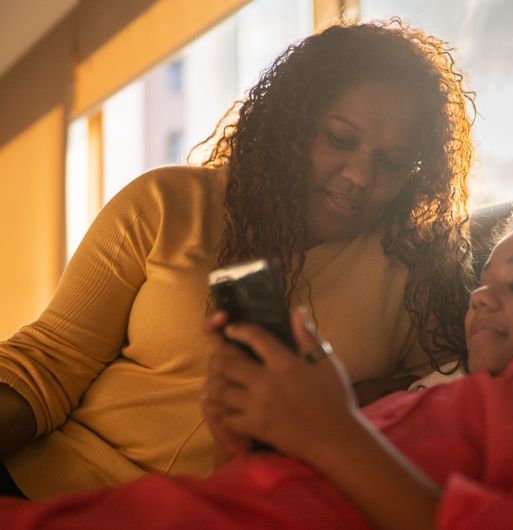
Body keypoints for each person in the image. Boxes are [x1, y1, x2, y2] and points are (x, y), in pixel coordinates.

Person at [0, 165, 513, 529]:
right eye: (487, 279)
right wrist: (254, 432)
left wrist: (329, 432)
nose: (482, 296)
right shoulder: (457, 398)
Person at [0, 19, 476, 499]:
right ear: (293, 124)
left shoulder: (415, 274)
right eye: (340, 139)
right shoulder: (167, 203)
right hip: (43, 489)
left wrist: (348, 402)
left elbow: (433, 402)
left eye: (392, 161)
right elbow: (49, 364)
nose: (358, 175)